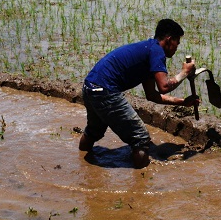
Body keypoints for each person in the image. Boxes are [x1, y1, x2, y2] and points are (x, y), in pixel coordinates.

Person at [79, 19, 198, 169]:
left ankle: (81, 164)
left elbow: (152, 95)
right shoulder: (157, 51)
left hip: (90, 87)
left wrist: (183, 102)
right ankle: (141, 178)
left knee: (94, 131)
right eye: (177, 43)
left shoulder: (148, 51)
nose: (176, 48)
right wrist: (184, 73)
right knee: (141, 138)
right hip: (105, 91)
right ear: (169, 40)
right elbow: (164, 86)